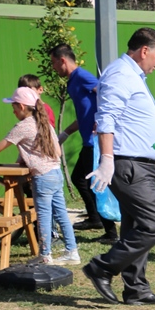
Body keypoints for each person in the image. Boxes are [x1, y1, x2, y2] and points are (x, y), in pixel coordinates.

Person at [81, 27, 155, 306]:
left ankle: (136, 290)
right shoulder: (121, 74)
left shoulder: (131, 75)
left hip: (139, 166)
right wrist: (107, 160)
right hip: (129, 166)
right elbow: (105, 118)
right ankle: (102, 268)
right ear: (144, 50)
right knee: (154, 225)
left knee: (135, 228)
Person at [0, 87, 79, 266]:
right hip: (56, 174)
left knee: (44, 217)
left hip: (42, 177)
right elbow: (54, 151)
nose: (13, 110)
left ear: (22, 106)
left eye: (14, 106)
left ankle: (45, 256)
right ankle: (72, 251)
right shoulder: (44, 123)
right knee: (61, 214)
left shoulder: (23, 126)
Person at [50, 43, 119, 241]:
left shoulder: (82, 76)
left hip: (97, 141)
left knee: (90, 181)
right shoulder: (73, 81)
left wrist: (102, 120)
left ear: (63, 60)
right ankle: (95, 218)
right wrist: (66, 133)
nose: (54, 68)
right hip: (89, 140)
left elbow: (105, 94)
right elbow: (84, 114)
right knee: (83, 179)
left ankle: (109, 230)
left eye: (54, 63)